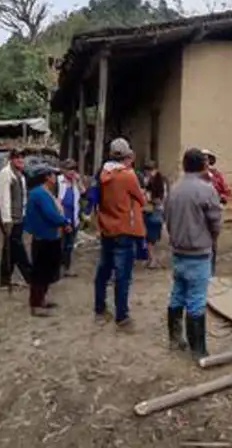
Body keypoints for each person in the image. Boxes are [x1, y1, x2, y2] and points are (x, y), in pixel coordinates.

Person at [164, 148, 223, 359]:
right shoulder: (207, 190)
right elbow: (215, 222)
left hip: (178, 252)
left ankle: (174, 338)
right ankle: (198, 349)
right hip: (199, 253)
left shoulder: (174, 189)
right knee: (197, 300)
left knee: (178, 294)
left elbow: (167, 218)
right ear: (204, 165)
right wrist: (210, 239)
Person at [94, 137, 146, 331]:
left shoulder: (103, 173)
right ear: (126, 156)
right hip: (124, 229)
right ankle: (122, 316)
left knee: (103, 270)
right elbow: (140, 199)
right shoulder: (128, 175)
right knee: (122, 275)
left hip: (107, 227)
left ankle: (100, 308)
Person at [24, 166, 72, 317]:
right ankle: (36, 303)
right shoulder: (40, 194)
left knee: (47, 270)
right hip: (44, 236)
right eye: (53, 175)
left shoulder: (45, 193)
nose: (55, 178)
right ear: (47, 177)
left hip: (50, 235)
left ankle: (41, 299)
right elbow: (50, 213)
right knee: (40, 271)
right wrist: (64, 222)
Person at [0, 149, 32, 288]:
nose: (21, 161)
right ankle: (30, 276)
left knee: (9, 249)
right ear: (11, 159)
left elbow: (22, 197)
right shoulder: (6, 174)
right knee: (17, 248)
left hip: (19, 216)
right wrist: (7, 220)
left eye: (22, 159)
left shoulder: (20, 175)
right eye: (17, 158)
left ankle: (5, 279)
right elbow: (3, 198)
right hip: (10, 218)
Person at [58, 159, 83, 277]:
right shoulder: (58, 181)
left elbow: (83, 192)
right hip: (61, 217)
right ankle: (57, 268)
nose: (72, 172)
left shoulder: (75, 183)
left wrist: (78, 181)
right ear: (63, 170)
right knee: (59, 244)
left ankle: (66, 268)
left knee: (69, 245)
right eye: (69, 169)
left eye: (74, 169)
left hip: (74, 218)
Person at [142, 160, 167, 269]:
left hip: (154, 210)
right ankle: (152, 258)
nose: (148, 173)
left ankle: (152, 259)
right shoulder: (151, 179)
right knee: (150, 237)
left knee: (151, 237)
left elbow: (159, 198)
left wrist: (149, 198)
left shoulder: (158, 180)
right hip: (151, 210)